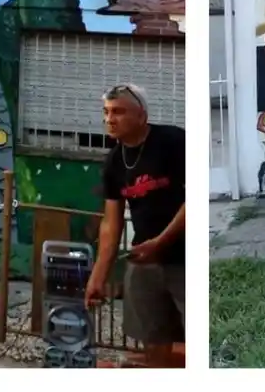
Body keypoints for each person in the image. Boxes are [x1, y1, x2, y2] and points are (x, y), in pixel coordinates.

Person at [86, 84, 185, 368]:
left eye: (118, 112)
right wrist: (98, 276)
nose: (109, 119)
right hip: (144, 262)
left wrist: (162, 241)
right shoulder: (114, 161)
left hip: (183, 258)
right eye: (106, 112)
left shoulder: (173, 141)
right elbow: (111, 222)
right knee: (153, 338)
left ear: (141, 115)